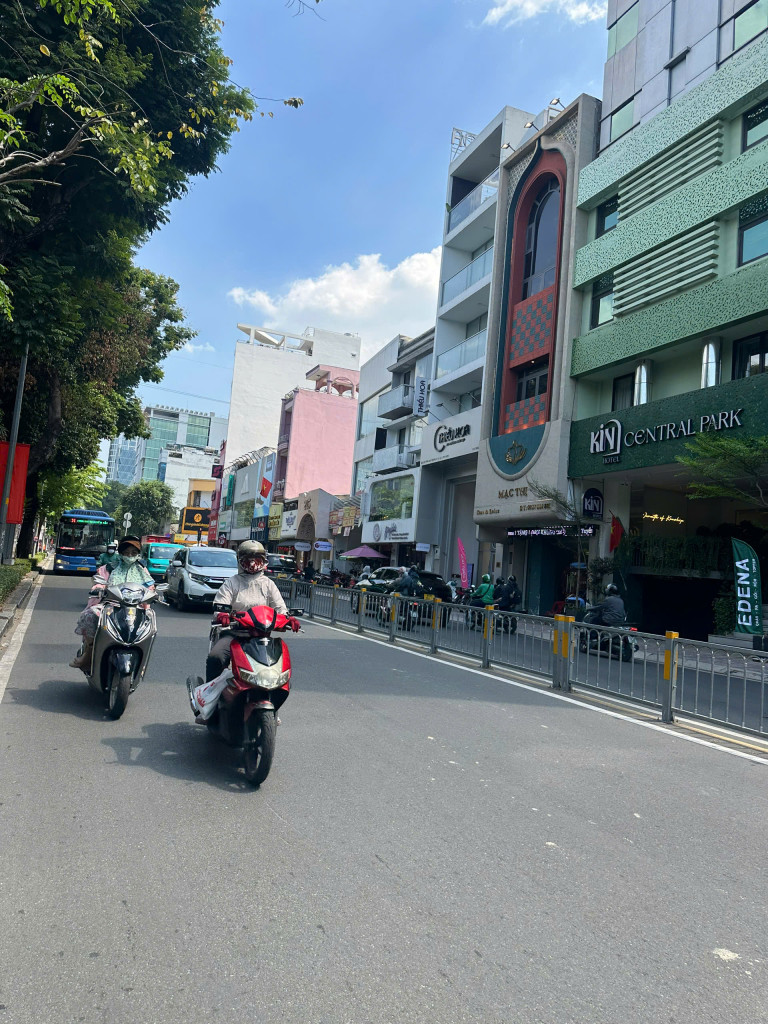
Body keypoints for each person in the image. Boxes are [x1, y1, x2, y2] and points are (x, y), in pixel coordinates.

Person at [206, 540, 298, 682]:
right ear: (240, 560)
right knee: (216, 657)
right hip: (234, 634)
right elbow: (221, 603)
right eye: (248, 559)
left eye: (257, 559)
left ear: (263, 561)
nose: (253, 563)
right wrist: (222, 615)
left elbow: (280, 607)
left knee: (280, 667)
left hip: (262, 636)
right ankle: (210, 690)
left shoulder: (268, 584)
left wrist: (287, 618)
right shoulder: (231, 582)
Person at [70, 536, 154, 670]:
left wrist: (152, 594)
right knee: (90, 615)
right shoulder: (109, 568)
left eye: (133, 553)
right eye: (126, 553)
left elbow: (150, 587)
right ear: (120, 553)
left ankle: (141, 660)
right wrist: (99, 588)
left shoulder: (142, 570)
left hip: (136, 608)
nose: (130, 556)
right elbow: (99, 581)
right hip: (111, 606)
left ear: (138, 554)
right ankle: (89, 654)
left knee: (151, 624)